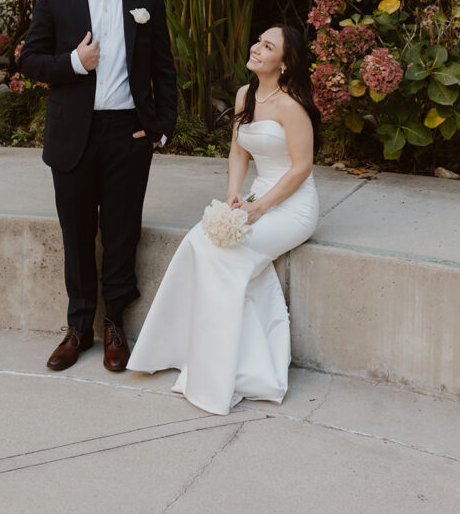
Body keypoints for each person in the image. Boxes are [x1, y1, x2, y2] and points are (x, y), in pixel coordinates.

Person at [127, 24, 320, 414]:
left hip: (292, 205)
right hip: (254, 197)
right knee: (198, 241)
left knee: (226, 255)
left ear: (284, 64)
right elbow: (238, 152)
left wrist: (259, 207)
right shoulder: (245, 94)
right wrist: (234, 194)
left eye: (269, 47)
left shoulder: (291, 104)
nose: (257, 49)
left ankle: (232, 368)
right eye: (259, 41)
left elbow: (301, 168)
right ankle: (180, 351)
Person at [18, 0, 177, 373]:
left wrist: (161, 127)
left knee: (123, 235)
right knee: (77, 235)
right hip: (74, 136)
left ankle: (115, 328)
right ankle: (79, 327)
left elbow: (165, 70)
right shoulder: (56, 1)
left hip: (128, 133)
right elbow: (30, 62)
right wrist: (73, 63)